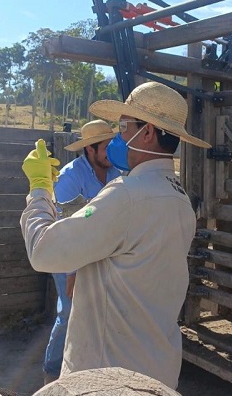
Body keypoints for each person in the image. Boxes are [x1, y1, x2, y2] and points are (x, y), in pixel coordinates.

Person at [20, 81, 210, 389]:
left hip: (107, 378)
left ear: (147, 133)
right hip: (157, 372)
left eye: (123, 127)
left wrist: (39, 189)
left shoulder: (127, 195)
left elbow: (43, 251)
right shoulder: (180, 200)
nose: (117, 138)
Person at [43, 120, 120, 385]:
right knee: (69, 312)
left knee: (98, 312)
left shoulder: (116, 174)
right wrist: (72, 272)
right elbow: (63, 229)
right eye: (107, 147)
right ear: (90, 149)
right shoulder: (70, 177)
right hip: (68, 255)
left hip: (97, 254)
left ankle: (86, 372)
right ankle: (51, 373)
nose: (111, 152)